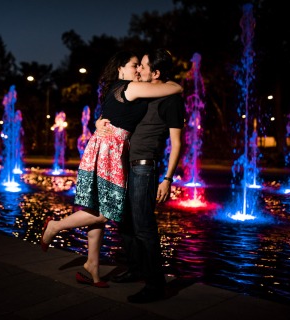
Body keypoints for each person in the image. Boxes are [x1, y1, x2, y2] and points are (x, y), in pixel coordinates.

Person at [40, 50, 183, 288]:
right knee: (106, 211)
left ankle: (91, 268)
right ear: (120, 69)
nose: (138, 70)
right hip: (111, 151)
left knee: (97, 208)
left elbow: (110, 115)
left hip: (107, 149)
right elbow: (177, 88)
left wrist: (98, 122)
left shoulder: (119, 89)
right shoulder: (131, 87)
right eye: (134, 65)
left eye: (141, 66)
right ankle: (55, 226)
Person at [97, 48, 185, 302]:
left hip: (144, 167)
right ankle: (135, 269)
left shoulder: (170, 99)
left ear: (155, 72)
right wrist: (98, 122)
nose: (138, 70)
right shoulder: (142, 94)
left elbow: (177, 143)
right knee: (124, 221)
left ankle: (155, 285)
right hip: (126, 164)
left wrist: (167, 179)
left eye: (143, 66)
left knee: (144, 226)